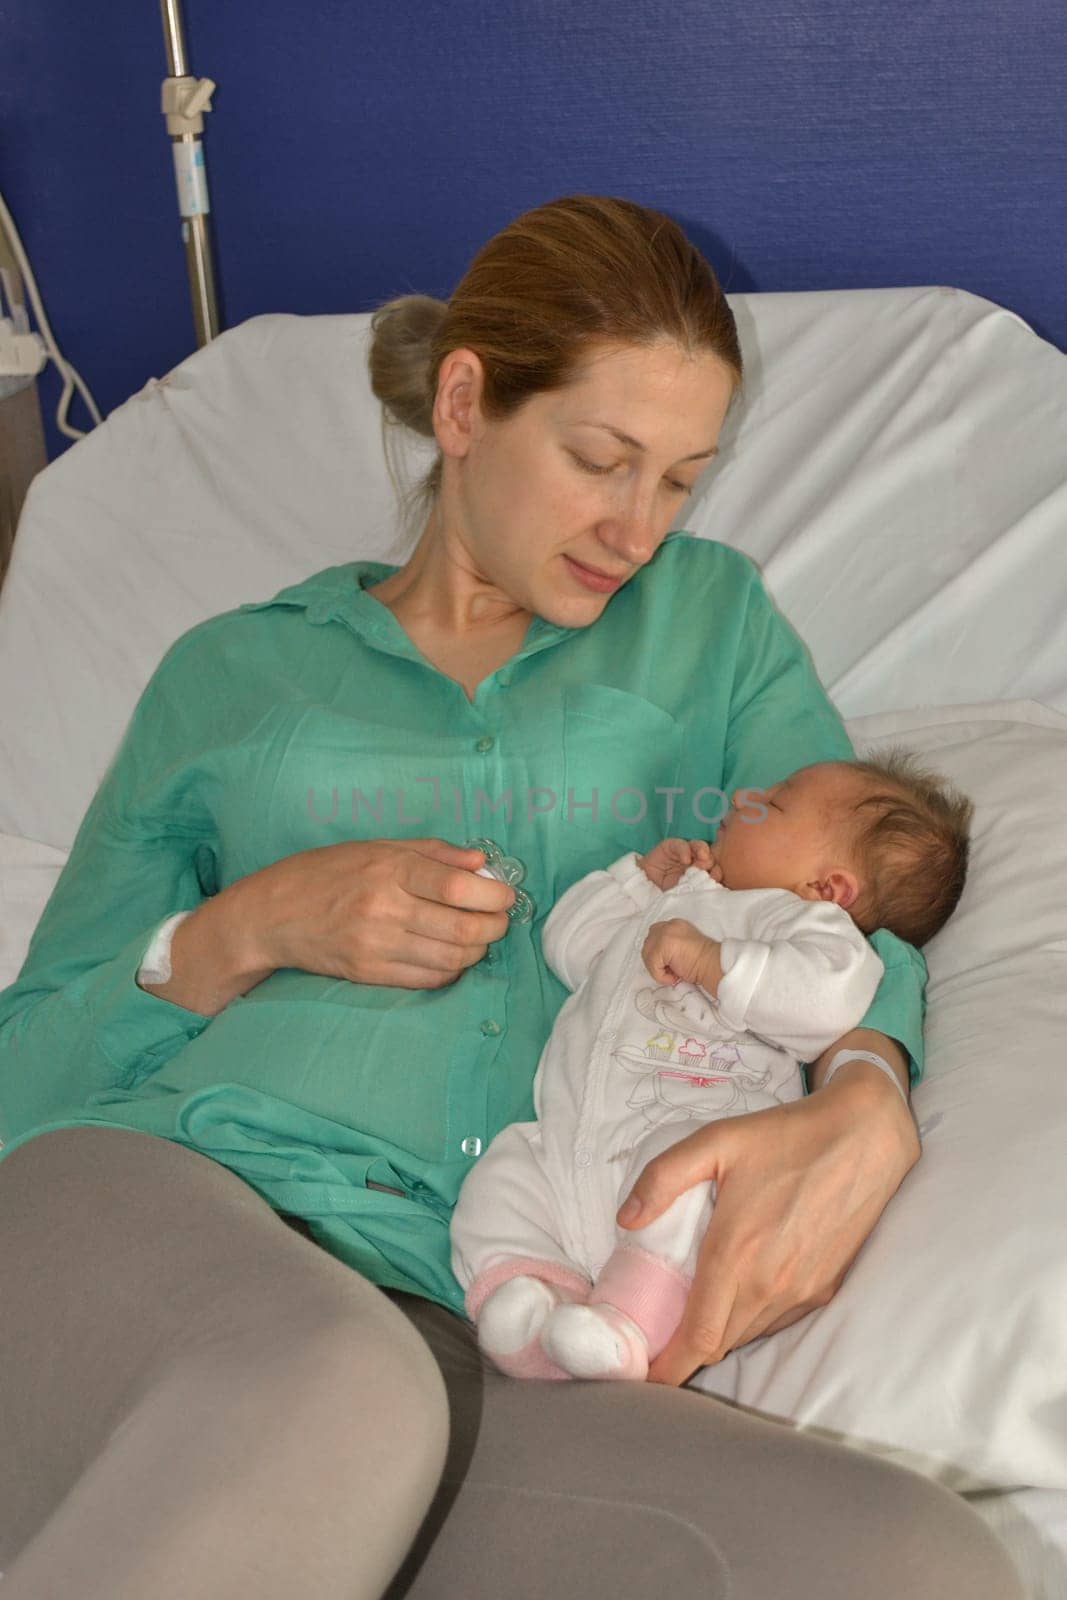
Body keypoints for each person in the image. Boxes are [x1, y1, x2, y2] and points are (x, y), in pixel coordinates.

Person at [0, 195, 1023, 1599]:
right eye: (599, 461)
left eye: (677, 480)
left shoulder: (713, 631)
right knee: (329, 1386)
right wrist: (249, 926)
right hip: (165, 1217)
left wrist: (863, 1086)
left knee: (901, 1560)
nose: (635, 529)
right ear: (468, 403)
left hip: (485, 1304)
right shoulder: (232, 673)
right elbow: (28, 1064)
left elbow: (853, 901)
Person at [453, 753, 974, 1381]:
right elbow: (570, 949)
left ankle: (627, 1320)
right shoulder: (685, 899)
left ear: (828, 887)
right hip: (573, 1144)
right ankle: (536, 1305)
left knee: (686, 1175)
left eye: (774, 803)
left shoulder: (811, 929)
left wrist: (709, 961)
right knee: (504, 1173)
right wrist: (641, 882)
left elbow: (825, 999)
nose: (743, 797)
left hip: (685, 1132)